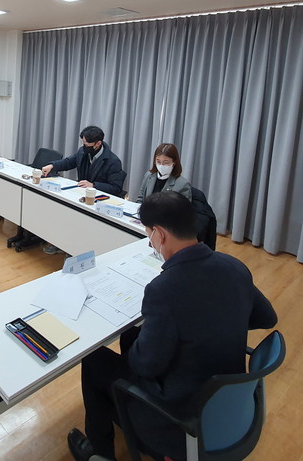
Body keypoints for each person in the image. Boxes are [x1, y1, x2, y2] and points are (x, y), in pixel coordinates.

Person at [67, 191, 277, 461]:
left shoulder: (164, 289)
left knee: (94, 359)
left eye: (149, 235)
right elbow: (266, 318)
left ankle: (100, 453)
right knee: (133, 337)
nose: (150, 242)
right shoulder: (234, 267)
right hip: (225, 402)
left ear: (159, 234)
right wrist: (216, 321)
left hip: (180, 421)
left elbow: (145, 366)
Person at [41, 126, 126, 197]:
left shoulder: (113, 161)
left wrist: (93, 185)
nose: (84, 146)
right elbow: (68, 162)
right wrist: (52, 166)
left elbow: (116, 188)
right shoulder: (82, 152)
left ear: (98, 144)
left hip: (99, 198)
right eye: (83, 143)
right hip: (81, 193)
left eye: (87, 144)